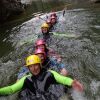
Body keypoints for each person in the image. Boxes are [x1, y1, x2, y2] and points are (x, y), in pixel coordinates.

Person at [0, 55, 83, 100]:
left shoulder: (50, 73)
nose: (34, 68)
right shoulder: (26, 79)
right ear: (28, 68)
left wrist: (71, 82)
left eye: (36, 65)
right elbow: (11, 89)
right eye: (31, 66)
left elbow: (63, 79)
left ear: (39, 65)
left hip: (52, 95)